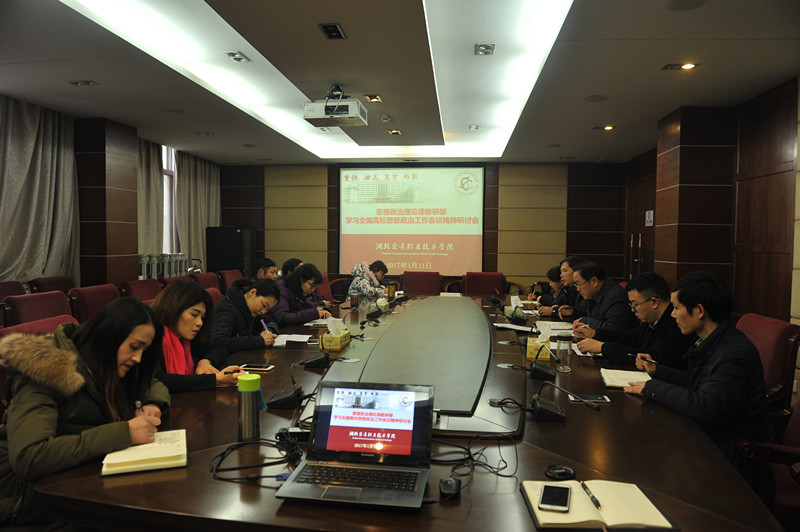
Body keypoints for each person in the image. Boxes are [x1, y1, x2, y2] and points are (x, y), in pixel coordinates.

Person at [0, 298, 170, 526]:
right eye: (134, 347)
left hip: (75, 485)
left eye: (144, 350)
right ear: (109, 335)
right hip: (26, 503)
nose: (138, 358)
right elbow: (29, 457)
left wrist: (153, 404)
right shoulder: (47, 372)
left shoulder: (105, 362)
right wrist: (124, 433)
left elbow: (153, 383)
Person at [624, 272, 768, 465]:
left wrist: (651, 388)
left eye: (676, 308)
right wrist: (657, 371)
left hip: (730, 458)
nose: (672, 314)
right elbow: (696, 381)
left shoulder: (734, 354)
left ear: (699, 311)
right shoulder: (711, 340)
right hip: (708, 439)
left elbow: (704, 406)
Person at [574, 272, 691, 369]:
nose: (632, 309)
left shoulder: (678, 324)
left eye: (635, 304)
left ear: (654, 302)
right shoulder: (652, 321)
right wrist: (595, 334)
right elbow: (629, 337)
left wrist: (604, 347)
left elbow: (655, 357)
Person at [151, 280, 242, 391]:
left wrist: (205, 362)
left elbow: (219, 348)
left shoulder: (184, 338)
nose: (200, 323)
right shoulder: (151, 337)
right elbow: (159, 380)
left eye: (202, 317)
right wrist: (215, 380)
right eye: (194, 315)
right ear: (173, 308)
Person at [211, 278, 281, 354]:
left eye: (267, 309)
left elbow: (270, 322)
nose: (263, 312)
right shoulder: (228, 309)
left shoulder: (250, 308)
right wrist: (259, 341)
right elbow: (219, 341)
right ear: (252, 292)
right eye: (264, 305)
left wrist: (267, 332)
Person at [570, 261, 635, 333]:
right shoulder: (594, 294)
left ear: (594, 281)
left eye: (579, 284)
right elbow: (587, 315)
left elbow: (613, 330)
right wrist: (572, 312)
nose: (578, 289)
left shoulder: (615, 296)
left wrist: (585, 321)